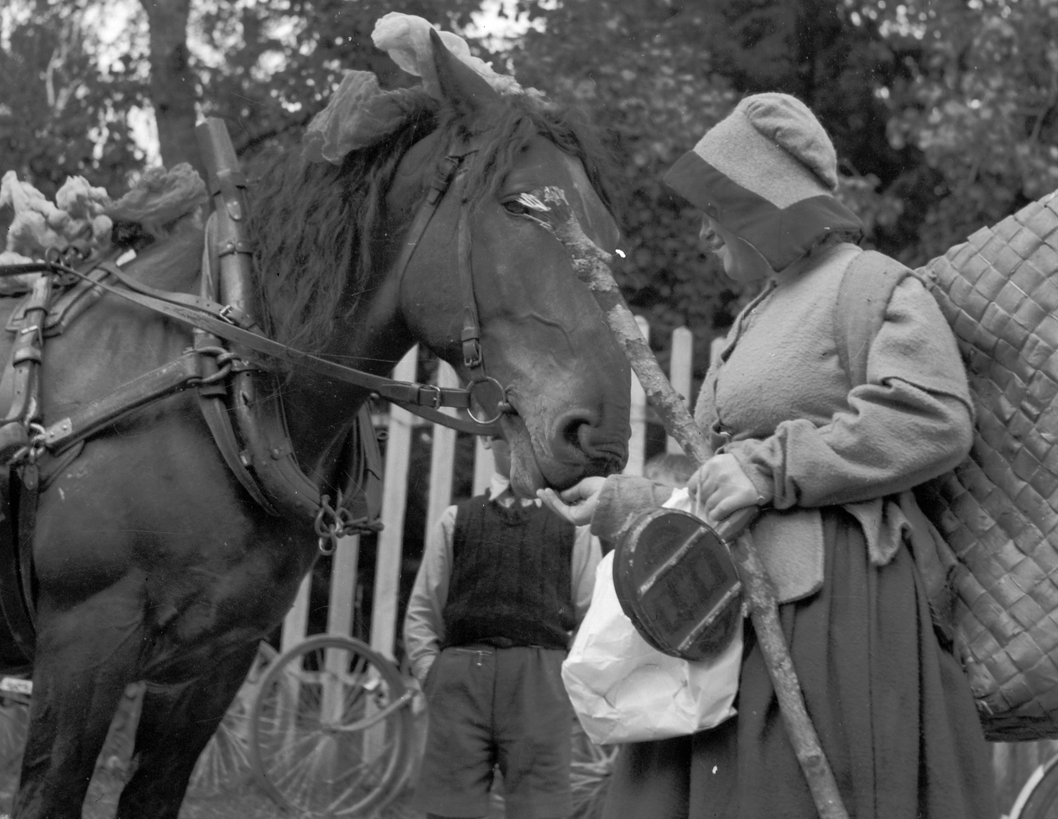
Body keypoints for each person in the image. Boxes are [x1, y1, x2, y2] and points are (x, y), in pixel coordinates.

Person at [539, 92, 996, 819]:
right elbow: (718, 474)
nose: (702, 233)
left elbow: (934, 416)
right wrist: (626, 504)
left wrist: (771, 469)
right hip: (728, 613)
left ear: (764, 201)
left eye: (716, 208)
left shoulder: (870, 284)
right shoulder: (754, 314)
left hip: (833, 612)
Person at [404, 430, 602, 819]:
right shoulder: (456, 520)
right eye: (504, 436)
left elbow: (592, 616)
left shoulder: (571, 525)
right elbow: (422, 612)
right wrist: (434, 675)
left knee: (540, 807)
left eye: (528, 436)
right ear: (486, 441)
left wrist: (564, 682)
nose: (517, 447)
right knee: (449, 807)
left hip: (540, 682)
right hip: (461, 680)